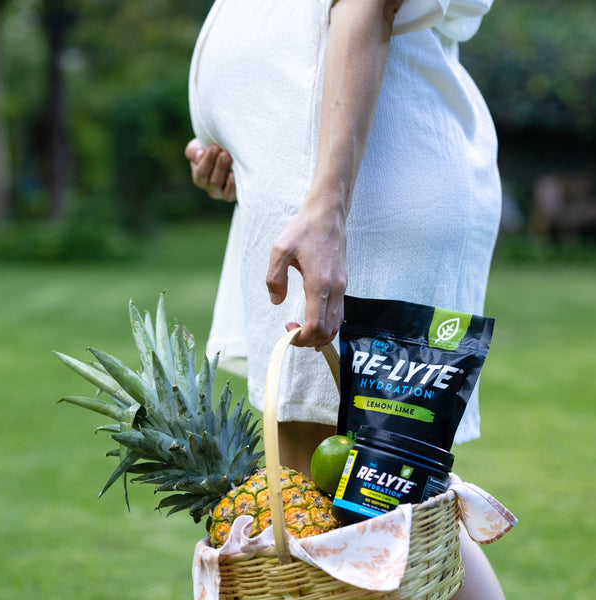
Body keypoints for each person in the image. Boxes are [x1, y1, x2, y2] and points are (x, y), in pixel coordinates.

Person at [184, 0, 505, 597]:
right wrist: (237, 134)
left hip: (365, 199)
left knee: (371, 508)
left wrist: (329, 208)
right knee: (365, 511)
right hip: (313, 195)